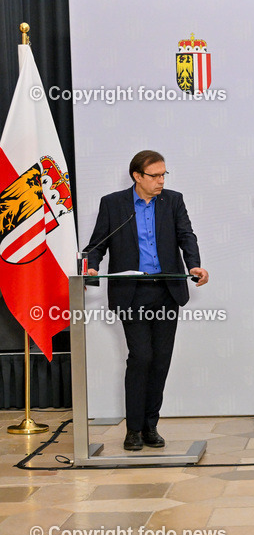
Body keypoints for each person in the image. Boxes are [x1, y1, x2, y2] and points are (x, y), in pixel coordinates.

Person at [85, 150, 208, 451]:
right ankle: (133, 429)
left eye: (164, 174)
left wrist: (194, 264)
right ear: (137, 176)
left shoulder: (173, 201)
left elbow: (186, 236)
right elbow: (97, 243)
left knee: (161, 361)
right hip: (133, 293)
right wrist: (91, 266)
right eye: (155, 176)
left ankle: (150, 426)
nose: (161, 181)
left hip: (166, 291)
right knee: (141, 357)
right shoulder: (114, 204)